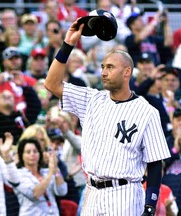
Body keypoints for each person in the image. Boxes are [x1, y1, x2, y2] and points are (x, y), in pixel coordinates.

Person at [44, 18, 171, 215]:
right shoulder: (92, 99)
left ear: (127, 71)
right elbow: (51, 84)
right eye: (103, 67)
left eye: (110, 67)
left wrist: (150, 206)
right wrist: (68, 44)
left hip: (125, 193)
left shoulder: (147, 112)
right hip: (92, 191)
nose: (104, 72)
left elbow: (155, 164)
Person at [14, 138, 67, 215]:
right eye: (28, 152)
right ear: (21, 155)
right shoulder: (18, 174)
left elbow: (62, 191)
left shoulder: (45, 172)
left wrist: (56, 169)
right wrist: (51, 172)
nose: (32, 154)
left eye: (35, 151)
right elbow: (34, 194)